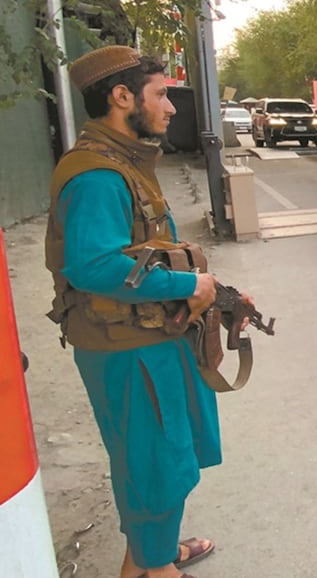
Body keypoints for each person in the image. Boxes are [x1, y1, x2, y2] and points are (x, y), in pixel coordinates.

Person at [44, 46, 221, 578]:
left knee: (161, 458)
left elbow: (142, 252)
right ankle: (153, 569)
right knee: (155, 464)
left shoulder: (122, 160)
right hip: (127, 348)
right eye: (161, 94)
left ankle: (152, 555)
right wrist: (190, 282)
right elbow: (94, 266)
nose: (170, 108)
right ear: (122, 97)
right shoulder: (98, 175)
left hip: (145, 338)